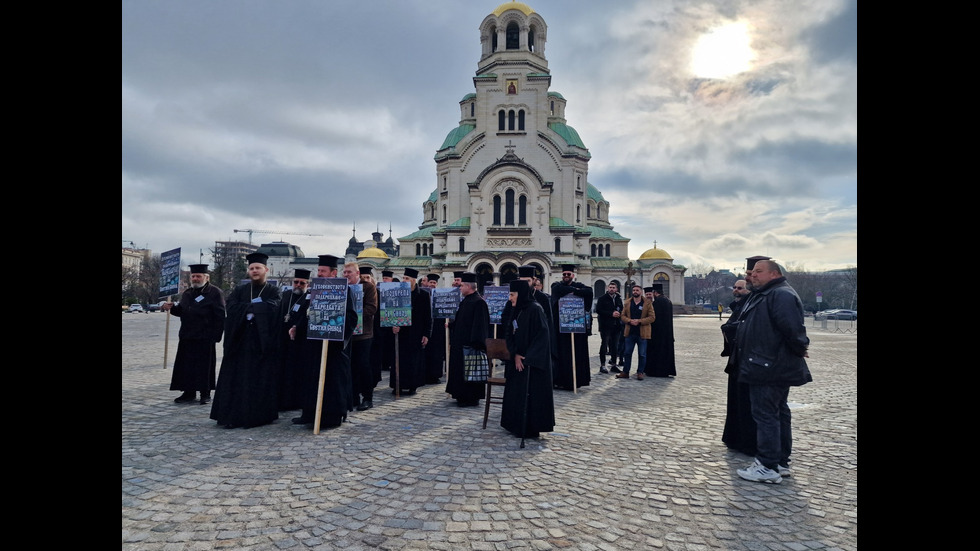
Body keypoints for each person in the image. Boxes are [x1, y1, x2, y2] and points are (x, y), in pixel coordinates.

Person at [734, 258, 812, 484]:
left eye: (759, 271)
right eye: (752, 271)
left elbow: (793, 330)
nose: (753, 275)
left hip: (768, 366)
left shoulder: (781, 295)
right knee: (777, 412)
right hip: (766, 363)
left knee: (766, 415)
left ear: (774, 274)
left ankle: (767, 466)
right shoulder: (768, 293)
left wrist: (800, 348)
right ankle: (779, 462)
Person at [210, 252, 282, 429]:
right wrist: (256, 308)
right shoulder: (240, 290)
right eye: (251, 268)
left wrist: (250, 308)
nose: (254, 271)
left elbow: (274, 307)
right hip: (240, 341)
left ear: (266, 270)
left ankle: (258, 415)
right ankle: (232, 415)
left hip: (261, 343)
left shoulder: (273, 290)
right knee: (236, 378)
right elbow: (232, 306)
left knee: (258, 379)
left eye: (258, 268)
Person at [292, 254, 358, 430]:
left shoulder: (345, 290)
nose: (319, 274)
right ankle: (309, 413)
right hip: (312, 345)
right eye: (318, 270)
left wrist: (336, 334)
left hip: (333, 347)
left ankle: (330, 416)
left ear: (333, 272)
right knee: (310, 379)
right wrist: (297, 327)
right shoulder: (313, 290)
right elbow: (306, 314)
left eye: (323, 271)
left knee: (332, 382)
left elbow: (352, 318)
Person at [163, 264, 226, 405]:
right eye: (193, 276)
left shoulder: (215, 292)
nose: (196, 279)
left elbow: (220, 315)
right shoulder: (187, 293)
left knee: (204, 366)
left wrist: (216, 335)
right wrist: (172, 308)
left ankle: (205, 393)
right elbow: (182, 311)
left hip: (205, 336)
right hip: (187, 335)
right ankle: (188, 392)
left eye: (198, 276)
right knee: (187, 365)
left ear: (206, 277)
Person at [501, 279, 555, 439]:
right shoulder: (516, 310)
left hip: (531, 364)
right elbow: (509, 332)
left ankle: (531, 427)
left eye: (512, 294)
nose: (510, 298)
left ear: (521, 294)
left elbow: (542, 337)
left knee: (532, 397)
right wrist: (515, 354)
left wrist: (527, 359)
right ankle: (514, 424)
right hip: (517, 359)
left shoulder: (535, 309)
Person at [721, 278, 756, 455]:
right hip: (737, 359)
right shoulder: (740, 305)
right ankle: (735, 437)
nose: (736, 290)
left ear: (748, 290)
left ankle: (746, 441)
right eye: (734, 287)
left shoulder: (751, 304)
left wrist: (728, 328)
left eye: (740, 288)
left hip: (746, 360)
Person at [446, 272, 490, 407]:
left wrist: (476, 343)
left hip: (471, 346)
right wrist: (451, 325)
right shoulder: (465, 301)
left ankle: (470, 398)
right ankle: (460, 395)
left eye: (462, 286)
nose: (459, 288)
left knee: (470, 373)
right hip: (460, 344)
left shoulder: (479, 302)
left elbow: (480, 326)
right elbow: (462, 320)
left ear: (469, 286)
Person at [389, 268, 431, 396]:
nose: (404, 280)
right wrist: (392, 325)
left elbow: (428, 317)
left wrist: (426, 334)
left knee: (413, 361)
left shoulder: (423, 295)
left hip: (415, 333)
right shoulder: (398, 293)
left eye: (407, 278)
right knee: (399, 359)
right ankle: (398, 385)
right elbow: (391, 311)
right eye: (403, 278)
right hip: (401, 332)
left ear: (413, 280)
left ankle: (413, 385)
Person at [550, 264, 593, 390]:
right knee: (562, 354)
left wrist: (576, 291)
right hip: (561, 328)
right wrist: (576, 292)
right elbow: (558, 290)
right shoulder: (557, 285)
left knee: (576, 354)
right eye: (564, 274)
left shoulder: (579, 285)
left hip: (576, 328)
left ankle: (576, 380)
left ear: (573, 276)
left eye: (568, 274)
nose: (566, 276)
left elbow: (589, 292)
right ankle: (561, 380)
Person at [276, 268, 311, 411]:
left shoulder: (309, 297)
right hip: (283, 338)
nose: (298, 285)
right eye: (296, 282)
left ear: (307, 284)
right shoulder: (285, 295)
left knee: (297, 371)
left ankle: (296, 400)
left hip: (300, 340)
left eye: (302, 283)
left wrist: (297, 326)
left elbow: (307, 317)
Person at [346, 262, 378, 411]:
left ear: (357, 274)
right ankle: (352, 397)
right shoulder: (343, 287)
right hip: (347, 334)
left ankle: (367, 398)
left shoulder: (368, 287)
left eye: (349, 273)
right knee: (350, 367)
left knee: (363, 366)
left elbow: (371, 308)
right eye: (344, 273)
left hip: (363, 334)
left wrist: (353, 317)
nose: (346, 275)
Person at [616, 284, 654, 381]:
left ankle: (640, 372)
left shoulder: (647, 303)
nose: (635, 292)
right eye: (634, 290)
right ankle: (625, 372)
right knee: (627, 353)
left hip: (642, 333)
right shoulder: (627, 302)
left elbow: (652, 317)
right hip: (630, 332)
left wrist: (639, 321)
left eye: (637, 290)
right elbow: (622, 315)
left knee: (642, 354)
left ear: (641, 292)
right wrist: (629, 321)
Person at [645, 283, 676, 378]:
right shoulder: (667, 301)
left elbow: (654, 318)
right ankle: (666, 371)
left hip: (658, 332)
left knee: (657, 352)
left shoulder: (658, 302)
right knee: (665, 352)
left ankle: (656, 371)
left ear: (655, 292)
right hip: (667, 332)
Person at [423, 273, 447, 385]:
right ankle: (425, 374)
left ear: (436, 284)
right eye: (430, 282)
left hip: (438, 327)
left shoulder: (441, 295)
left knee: (437, 353)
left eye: (434, 283)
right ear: (427, 283)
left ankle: (436, 375)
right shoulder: (423, 294)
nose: (432, 284)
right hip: (427, 327)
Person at [594, 282, 623, 374]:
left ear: (616, 289)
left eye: (613, 287)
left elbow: (621, 308)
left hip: (616, 326)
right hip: (606, 326)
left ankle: (614, 364)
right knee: (604, 344)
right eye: (610, 287)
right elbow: (598, 310)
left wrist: (620, 313)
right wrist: (611, 314)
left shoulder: (618, 298)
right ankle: (602, 365)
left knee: (615, 346)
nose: (612, 289)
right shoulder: (602, 298)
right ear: (607, 288)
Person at [378, 269, 396, 373]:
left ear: (391, 279)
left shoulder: (394, 289)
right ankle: (384, 363)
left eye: (387, 278)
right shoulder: (379, 289)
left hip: (392, 318)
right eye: (383, 278)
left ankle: (389, 362)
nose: (384, 280)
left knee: (391, 343)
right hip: (382, 319)